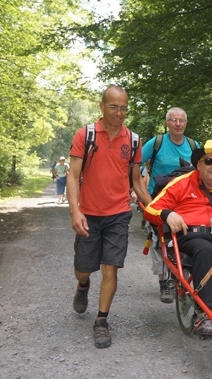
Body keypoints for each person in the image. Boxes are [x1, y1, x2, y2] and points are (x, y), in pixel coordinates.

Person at [66, 85, 152, 349]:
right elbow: (72, 175)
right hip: (89, 214)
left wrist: (158, 211)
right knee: (83, 267)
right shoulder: (86, 134)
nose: (119, 113)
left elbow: (137, 183)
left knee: (110, 267)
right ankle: (82, 285)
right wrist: (75, 210)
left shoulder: (134, 140)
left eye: (124, 107)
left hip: (118, 215)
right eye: (113, 106)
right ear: (102, 106)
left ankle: (101, 321)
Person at [144, 139, 212, 338]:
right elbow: (151, 208)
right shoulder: (182, 183)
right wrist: (167, 214)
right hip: (191, 236)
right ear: (199, 164)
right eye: (208, 161)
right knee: (205, 249)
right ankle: (206, 312)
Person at [141, 107, 200, 303]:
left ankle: (181, 273)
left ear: (186, 123)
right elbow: (136, 162)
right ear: (167, 123)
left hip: (186, 199)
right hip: (159, 198)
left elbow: (203, 170)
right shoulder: (157, 142)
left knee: (186, 235)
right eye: (173, 120)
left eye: (181, 120)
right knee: (160, 239)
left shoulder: (193, 145)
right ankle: (163, 280)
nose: (177, 124)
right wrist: (137, 186)